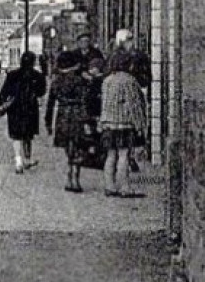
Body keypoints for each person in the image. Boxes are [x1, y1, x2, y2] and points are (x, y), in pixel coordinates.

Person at [99, 51, 147, 198]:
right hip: (124, 123)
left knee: (111, 155)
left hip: (108, 122)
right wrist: (140, 125)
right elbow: (135, 105)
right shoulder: (130, 81)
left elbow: (104, 102)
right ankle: (125, 187)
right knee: (124, 155)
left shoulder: (107, 80)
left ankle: (109, 186)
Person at [44, 51, 95, 192]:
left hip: (62, 115)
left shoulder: (56, 81)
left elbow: (50, 104)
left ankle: (69, 175)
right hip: (78, 114)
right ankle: (75, 177)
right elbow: (87, 100)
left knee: (68, 146)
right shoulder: (80, 80)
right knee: (79, 146)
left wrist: (48, 123)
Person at [0, 51, 47, 173]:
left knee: (16, 136)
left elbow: (4, 92)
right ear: (33, 62)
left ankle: (18, 161)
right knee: (28, 135)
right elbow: (41, 92)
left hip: (15, 109)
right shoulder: (37, 76)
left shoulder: (12, 75)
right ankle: (27, 159)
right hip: (30, 109)